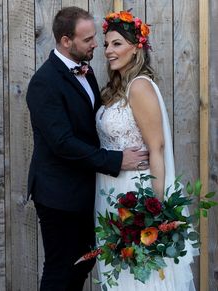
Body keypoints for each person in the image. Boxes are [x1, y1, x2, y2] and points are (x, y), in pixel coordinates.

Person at [26, 6, 149, 291]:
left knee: (82, 264)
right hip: (59, 194)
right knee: (61, 269)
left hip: (84, 189)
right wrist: (116, 160)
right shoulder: (44, 83)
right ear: (66, 41)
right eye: (88, 39)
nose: (97, 44)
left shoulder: (86, 69)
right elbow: (63, 143)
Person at [95, 10, 196, 291]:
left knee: (143, 276)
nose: (108, 51)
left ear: (135, 47)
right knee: (122, 274)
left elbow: (157, 149)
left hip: (135, 194)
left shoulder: (139, 87)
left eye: (116, 44)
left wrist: (155, 214)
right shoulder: (117, 89)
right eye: (105, 44)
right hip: (112, 191)